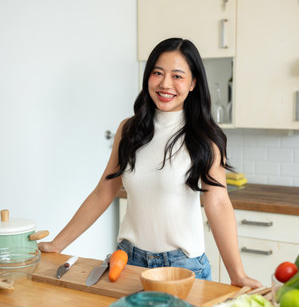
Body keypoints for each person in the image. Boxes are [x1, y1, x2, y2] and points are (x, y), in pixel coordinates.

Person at [39, 37, 261, 288]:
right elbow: (103, 193)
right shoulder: (129, 130)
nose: (165, 84)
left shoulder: (205, 137)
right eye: (158, 73)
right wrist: (57, 245)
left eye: (177, 76)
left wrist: (237, 274)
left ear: (193, 83)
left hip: (182, 267)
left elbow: (218, 204)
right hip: (128, 261)